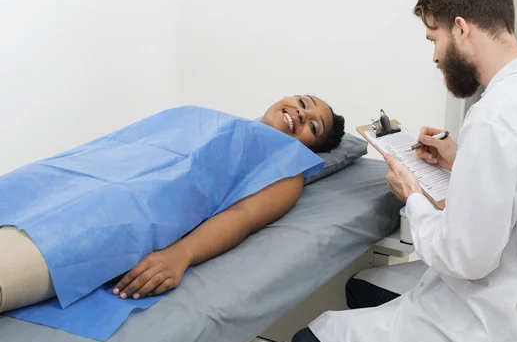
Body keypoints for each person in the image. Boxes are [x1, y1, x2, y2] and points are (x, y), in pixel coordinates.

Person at [289, 0, 517, 342]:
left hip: (484, 323)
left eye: (434, 39)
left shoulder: (495, 116)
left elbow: (466, 258)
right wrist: (461, 161)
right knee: (363, 286)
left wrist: (413, 196)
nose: (435, 56)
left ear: (461, 28)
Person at [0, 95, 345, 313]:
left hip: (121, 211)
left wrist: (181, 254)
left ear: (311, 149)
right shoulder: (207, 118)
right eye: (302, 102)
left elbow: (243, 216)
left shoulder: (288, 167)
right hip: (68, 178)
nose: (300, 114)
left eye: (312, 125)